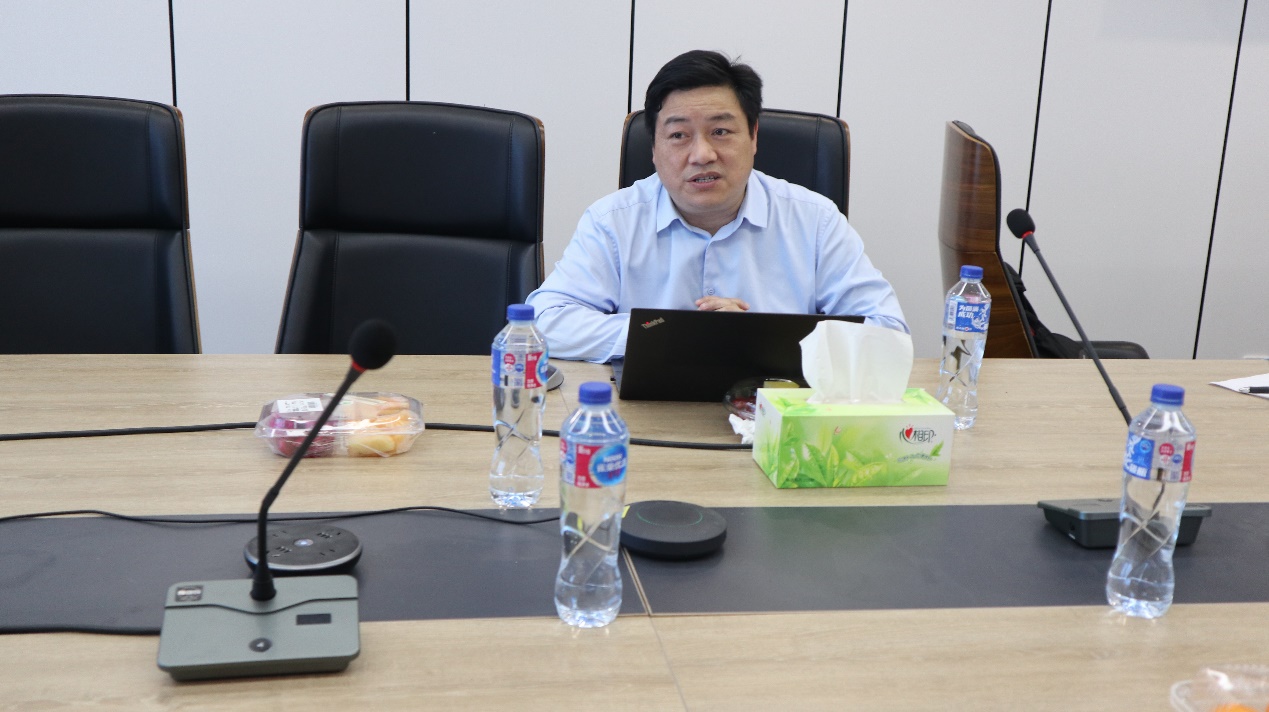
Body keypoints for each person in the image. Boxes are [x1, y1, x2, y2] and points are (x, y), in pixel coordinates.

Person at [527, 50, 908, 362]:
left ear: (753, 136)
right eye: (679, 135)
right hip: (647, 415)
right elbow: (544, 323)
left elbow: (888, 332)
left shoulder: (815, 220)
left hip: (777, 414)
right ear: (654, 148)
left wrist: (757, 335)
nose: (702, 154)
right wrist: (671, 333)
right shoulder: (613, 221)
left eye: (720, 132)